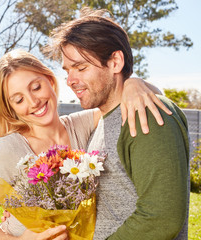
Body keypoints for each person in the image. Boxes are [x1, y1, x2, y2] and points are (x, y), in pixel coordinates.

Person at [0, 49, 171, 239]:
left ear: (50, 80)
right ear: (10, 108)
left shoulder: (80, 125)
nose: (33, 102)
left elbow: (141, 96)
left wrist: (132, 84)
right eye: (19, 99)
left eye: (36, 87)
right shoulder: (9, 148)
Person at [45, 8, 190, 240]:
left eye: (81, 68)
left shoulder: (147, 114)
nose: (71, 80)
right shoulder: (104, 120)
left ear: (115, 62)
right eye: (68, 70)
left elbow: (161, 217)